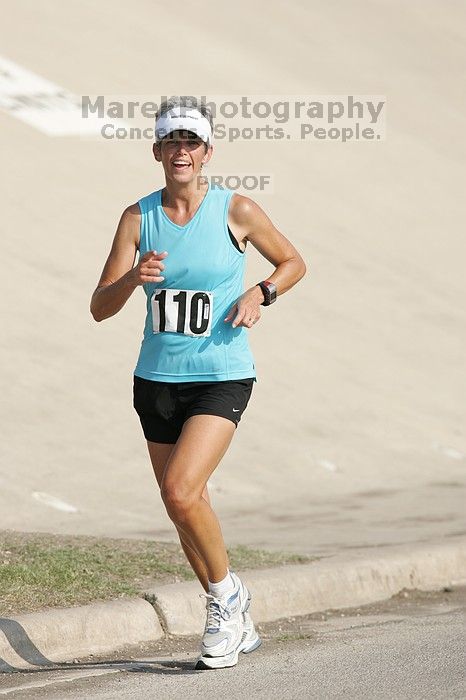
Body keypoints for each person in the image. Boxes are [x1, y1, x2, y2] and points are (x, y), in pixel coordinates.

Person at [90, 96, 306, 670]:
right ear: (157, 151)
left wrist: (261, 294)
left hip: (222, 374)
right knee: (182, 503)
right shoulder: (138, 217)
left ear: (207, 152)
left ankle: (225, 598)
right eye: (172, 142)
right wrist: (134, 276)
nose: (181, 151)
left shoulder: (235, 209)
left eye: (192, 142)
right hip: (155, 379)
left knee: (182, 491)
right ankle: (235, 609)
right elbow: (99, 306)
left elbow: (292, 262)